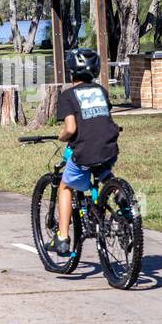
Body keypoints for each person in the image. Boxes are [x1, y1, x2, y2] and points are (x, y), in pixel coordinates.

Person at [52, 48, 119, 256]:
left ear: (71, 72)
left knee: (65, 185)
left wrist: (61, 136)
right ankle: (123, 202)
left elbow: (71, 128)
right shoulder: (101, 91)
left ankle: (62, 237)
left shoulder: (68, 96)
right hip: (109, 147)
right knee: (104, 171)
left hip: (85, 151)